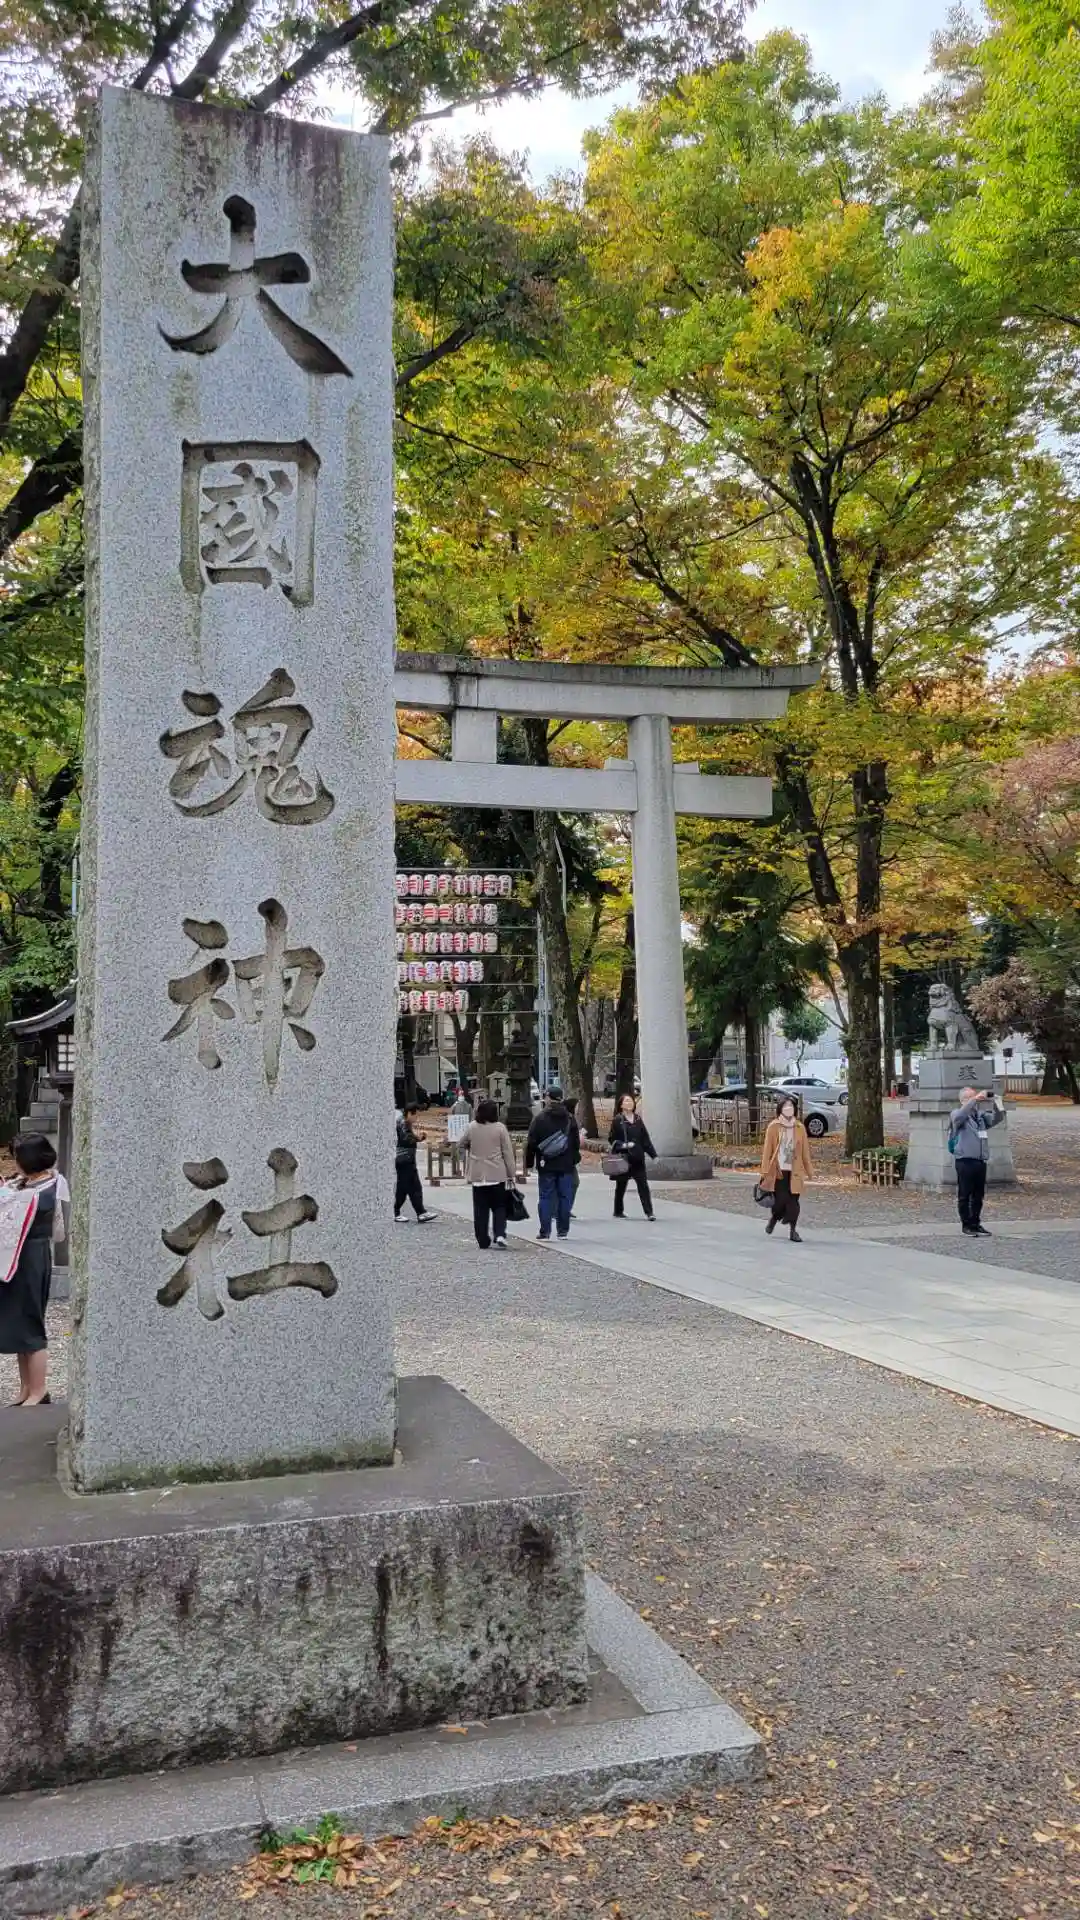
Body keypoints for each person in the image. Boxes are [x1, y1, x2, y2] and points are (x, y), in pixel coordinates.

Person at [0, 1133, 67, 1406]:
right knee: (19, 1326)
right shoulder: (23, 1183)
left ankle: (39, 1390)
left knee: (31, 1324)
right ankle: (26, 1389)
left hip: (31, 1257)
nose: (14, 1162)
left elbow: (21, 1206)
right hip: (16, 1257)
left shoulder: (48, 1186)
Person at [463, 1097, 520, 1249]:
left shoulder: (472, 1127)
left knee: (480, 1209)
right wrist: (511, 1173)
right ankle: (500, 1233)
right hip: (497, 1174)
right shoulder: (500, 1128)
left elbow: (462, 1143)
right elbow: (507, 1152)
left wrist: (471, 1149)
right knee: (499, 1206)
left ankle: (482, 1239)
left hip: (477, 1175)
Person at [525, 1087, 580, 1241]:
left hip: (546, 1163)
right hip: (566, 1164)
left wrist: (529, 1162)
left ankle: (545, 1231)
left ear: (548, 1098)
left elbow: (531, 1142)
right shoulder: (569, 1118)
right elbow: (575, 1143)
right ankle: (563, 1231)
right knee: (564, 1196)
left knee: (546, 1197)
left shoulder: (540, 1118)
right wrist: (573, 1159)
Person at [949, 1086, 1006, 1237]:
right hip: (964, 1160)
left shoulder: (980, 1116)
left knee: (978, 1195)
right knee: (965, 1194)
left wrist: (998, 1104)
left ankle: (975, 1223)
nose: (975, 1101)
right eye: (970, 1098)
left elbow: (996, 1119)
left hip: (980, 1160)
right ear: (963, 1100)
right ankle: (966, 1225)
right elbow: (959, 1116)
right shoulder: (957, 1114)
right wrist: (974, 1099)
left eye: (974, 1097)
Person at [759, 1096, 813, 1242]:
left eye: (791, 1106)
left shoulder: (800, 1127)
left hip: (795, 1171)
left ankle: (793, 1231)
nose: (789, 1109)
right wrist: (765, 1171)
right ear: (780, 1109)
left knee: (794, 1202)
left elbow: (805, 1152)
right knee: (780, 1201)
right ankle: (774, 1218)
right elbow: (767, 1151)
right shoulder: (774, 1126)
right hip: (779, 1171)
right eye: (785, 1106)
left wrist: (809, 1170)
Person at [608, 1093, 657, 1221]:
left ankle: (649, 1212)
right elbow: (612, 1139)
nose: (629, 1103)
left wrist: (653, 1155)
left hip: (638, 1158)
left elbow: (645, 1139)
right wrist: (623, 1145)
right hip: (624, 1157)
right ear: (621, 1105)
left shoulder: (638, 1119)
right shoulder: (618, 1120)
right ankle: (618, 1210)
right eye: (626, 1101)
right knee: (621, 1185)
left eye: (631, 1101)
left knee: (643, 1185)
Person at [394, 1105, 437, 1223]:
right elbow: (406, 1139)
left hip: (405, 1159)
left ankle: (403, 1211)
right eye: (415, 1115)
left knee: (405, 1187)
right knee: (412, 1187)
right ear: (409, 1113)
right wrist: (418, 1138)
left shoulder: (403, 1122)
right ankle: (419, 1212)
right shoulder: (403, 1123)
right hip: (405, 1159)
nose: (416, 1118)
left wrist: (418, 1138)